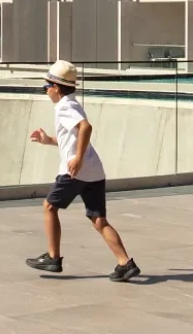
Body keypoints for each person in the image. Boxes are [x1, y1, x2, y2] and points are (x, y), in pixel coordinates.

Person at [25, 60, 140, 282]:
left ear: (56, 88)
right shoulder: (72, 103)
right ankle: (125, 263)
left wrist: (77, 159)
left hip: (76, 171)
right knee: (98, 219)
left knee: (49, 206)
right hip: (94, 172)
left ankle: (53, 257)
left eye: (46, 86)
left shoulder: (64, 106)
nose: (46, 91)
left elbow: (85, 127)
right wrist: (48, 140)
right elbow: (74, 138)